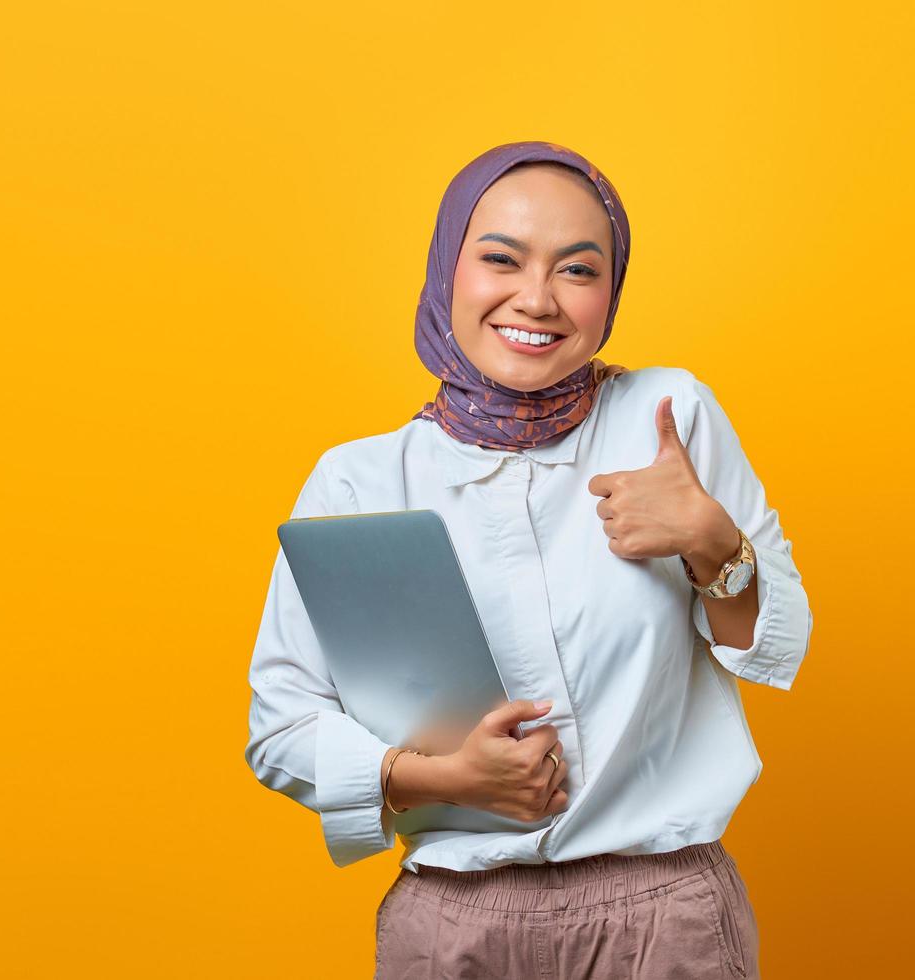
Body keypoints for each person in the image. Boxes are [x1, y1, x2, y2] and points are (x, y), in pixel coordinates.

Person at [244, 140, 814, 979]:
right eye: (500, 259)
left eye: (578, 271)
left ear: (610, 292)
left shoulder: (668, 419)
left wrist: (713, 544)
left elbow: (774, 647)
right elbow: (280, 728)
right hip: (452, 928)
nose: (537, 299)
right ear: (448, 269)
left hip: (666, 922)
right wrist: (441, 777)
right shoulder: (358, 480)